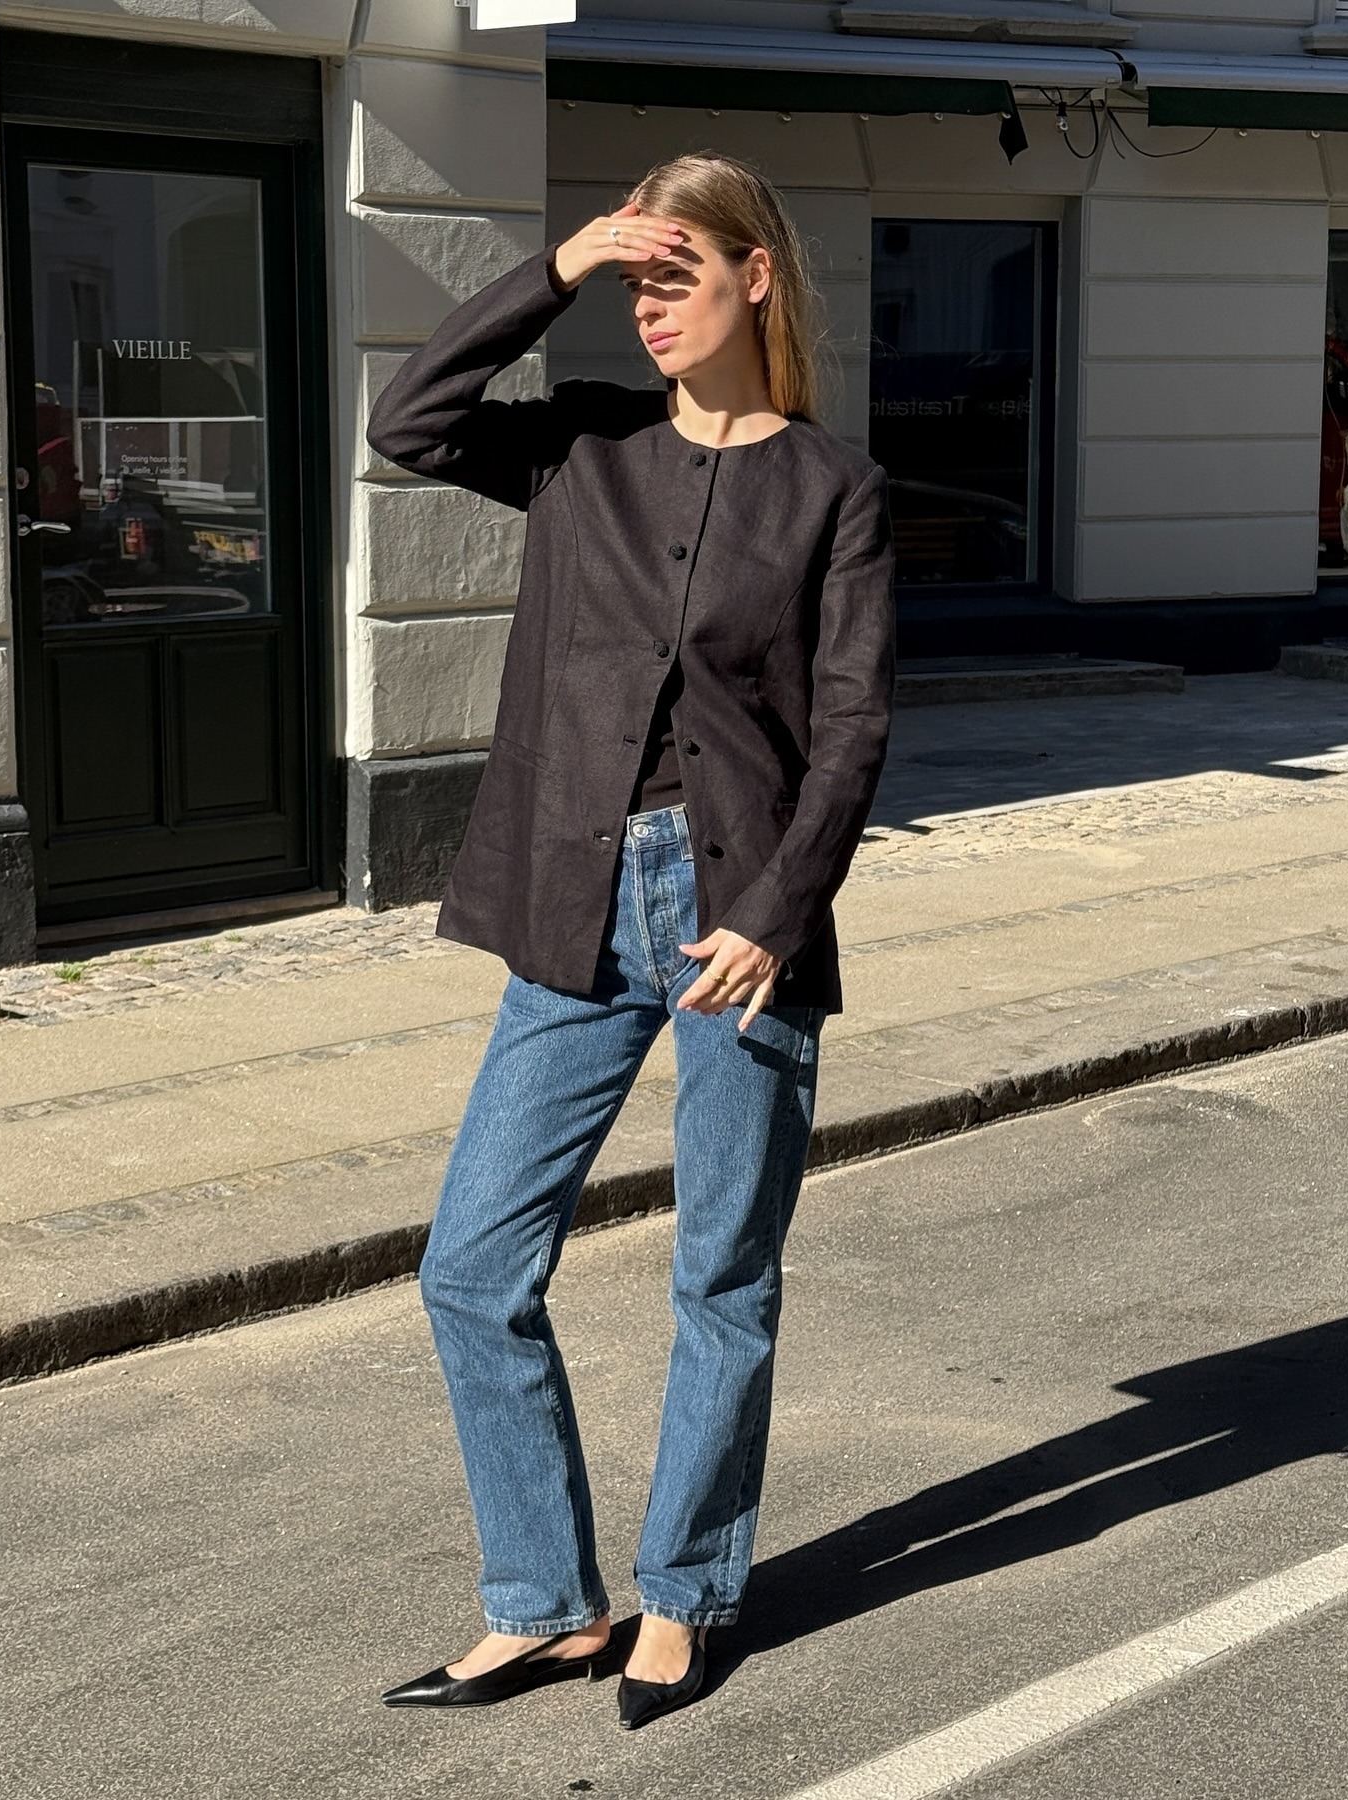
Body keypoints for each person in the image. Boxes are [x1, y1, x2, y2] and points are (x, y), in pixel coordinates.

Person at [367, 151, 895, 1731]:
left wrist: (776, 911)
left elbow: (855, 723)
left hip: (741, 921)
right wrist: (560, 269)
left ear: (756, 279)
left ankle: (685, 1594)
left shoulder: (833, 487)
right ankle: (544, 1605)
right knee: (470, 1267)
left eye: (679, 272)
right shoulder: (580, 451)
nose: (653, 304)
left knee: (722, 1274)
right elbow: (411, 421)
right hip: (575, 903)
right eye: (638, 279)